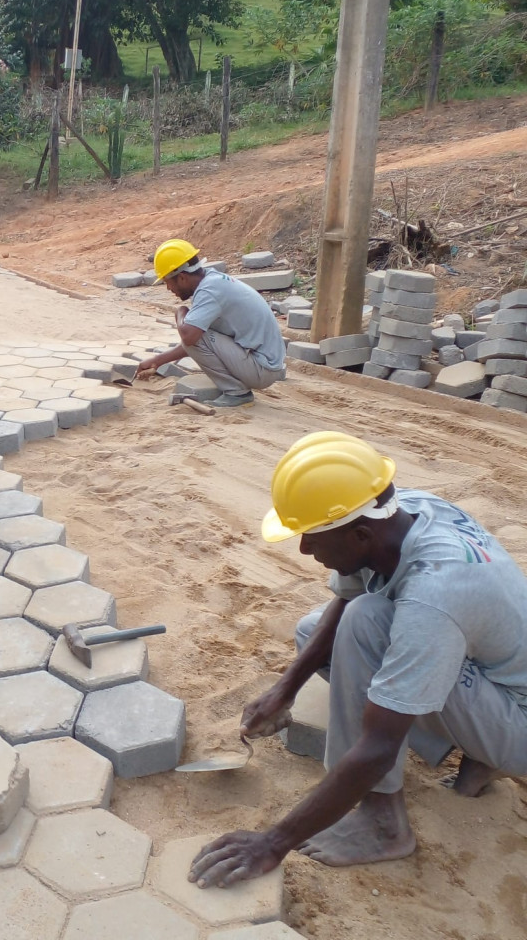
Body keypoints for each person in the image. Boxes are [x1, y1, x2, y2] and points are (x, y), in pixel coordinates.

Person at [189, 430, 527, 889]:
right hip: (496, 681)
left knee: (369, 624)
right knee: (319, 629)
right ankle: (479, 755)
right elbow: (346, 602)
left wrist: (272, 843)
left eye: (310, 537)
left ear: (361, 535)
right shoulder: (395, 509)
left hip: (518, 719)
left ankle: (385, 823)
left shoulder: (436, 591)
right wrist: (283, 691)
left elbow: (378, 748)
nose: (305, 550)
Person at [136, 239, 286, 408]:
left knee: (192, 334)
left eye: (167, 282)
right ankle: (235, 387)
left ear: (182, 277)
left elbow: (191, 338)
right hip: (265, 364)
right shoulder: (212, 282)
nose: (169, 289)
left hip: (262, 369)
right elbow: (199, 341)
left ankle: (236, 392)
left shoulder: (209, 291)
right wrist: (158, 361)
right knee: (196, 333)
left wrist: (181, 312)